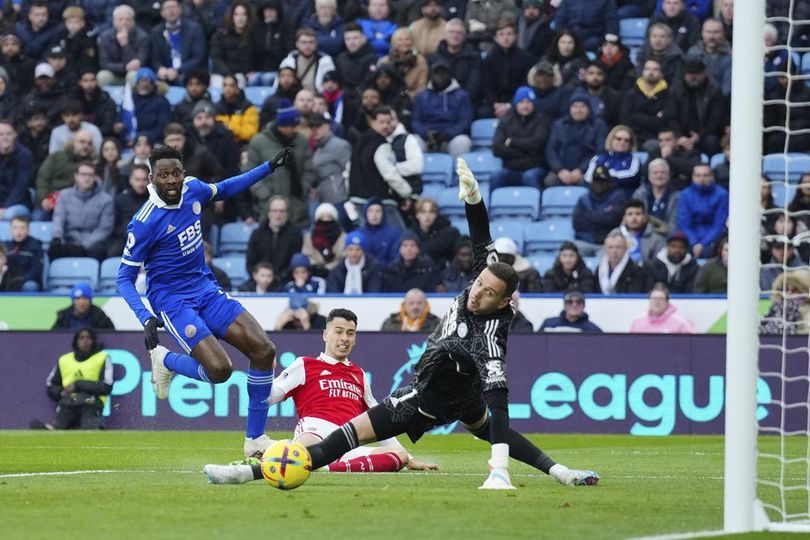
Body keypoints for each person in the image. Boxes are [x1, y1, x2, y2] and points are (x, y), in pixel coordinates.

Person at [222, 158, 600, 490]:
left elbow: (500, 403)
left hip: (425, 400)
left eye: (487, 293)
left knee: (342, 441)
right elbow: (481, 236)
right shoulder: (486, 280)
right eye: (479, 283)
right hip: (455, 393)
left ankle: (252, 473)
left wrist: (498, 470)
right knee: (476, 427)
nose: (477, 292)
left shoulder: (490, 339)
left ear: (503, 302)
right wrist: (473, 198)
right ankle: (562, 473)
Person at [115, 143, 296, 458]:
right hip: (172, 301)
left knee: (264, 350)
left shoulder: (193, 190)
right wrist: (145, 317)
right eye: (163, 175)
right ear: (151, 177)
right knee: (220, 370)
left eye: (175, 173)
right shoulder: (144, 222)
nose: (171, 180)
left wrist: (268, 167)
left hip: (205, 289)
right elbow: (123, 278)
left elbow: (225, 188)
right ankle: (165, 360)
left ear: (183, 174)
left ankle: (255, 440)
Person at [204, 308, 438, 483]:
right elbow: (267, 397)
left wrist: (408, 456)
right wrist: (265, 369)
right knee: (307, 444)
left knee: (398, 456)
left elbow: (380, 418)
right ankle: (259, 468)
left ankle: (315, 465)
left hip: (348, 440)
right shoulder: (305, 365)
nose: (344, 338)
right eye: (339, 332)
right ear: (325, 334)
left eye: (350, 333)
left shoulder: (359, 374)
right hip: (315, 431)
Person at [245, 101, 315, 229]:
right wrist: (267, 196)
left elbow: (308, 170)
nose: (295, 129)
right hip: (269, 207)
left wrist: (303, 189)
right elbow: (250, 174)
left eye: (296, 125)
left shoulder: (301, 141)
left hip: (296, 205)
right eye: (292, 125)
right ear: (281, 125)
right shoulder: (259, 142)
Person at [43, 328, 112, 430]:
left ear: (93, 341)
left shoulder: (102, 358)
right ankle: (54, 428)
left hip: (91, 401)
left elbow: (106, 386)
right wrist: (60, 392)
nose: (85, 341)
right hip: (68, 401)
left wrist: (78, 384)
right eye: (81, 338)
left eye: (88, 338)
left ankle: (94, 427)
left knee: (90, 428)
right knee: (57, 428)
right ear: (76, 341)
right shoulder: (64, 359)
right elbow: (51, 384)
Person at [49, 161, 113, 261]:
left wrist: (84, 246)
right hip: (69, 240)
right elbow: (59, 219)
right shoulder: (64, 195)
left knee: (98, 250)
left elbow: (104, 229)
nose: (87, 178)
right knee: (53, 249)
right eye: (83, 174)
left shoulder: (106, 200)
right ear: (76, 176)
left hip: (93, 244)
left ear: (95, 177)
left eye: (90, 175)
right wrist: (57, 237)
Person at [490, 86, 550, 194]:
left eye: (528, 102)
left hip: (534, 168)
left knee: (530, 176)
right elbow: (497, 148)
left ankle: (537, 208)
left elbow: (537, 145)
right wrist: (526, 151)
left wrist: (512, 142)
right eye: (521, 102)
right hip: (511, 168)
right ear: (515, 103)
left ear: (534, 104)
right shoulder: (506, 121)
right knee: (496, 176)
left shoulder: (542, 120)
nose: (525, 106)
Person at [544, 95, 608, 188]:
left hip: (587, 170)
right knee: (550, 181)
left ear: (589, 108)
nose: (578, 110)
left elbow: (599, 151)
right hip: (561, 170)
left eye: (582, 106)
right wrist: (560, 170)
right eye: (575, 106)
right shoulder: (559, 125)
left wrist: (580, 170)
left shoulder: (598, 126)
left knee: (588, 182)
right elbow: (550, 150)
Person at [411, 62, 472, 159]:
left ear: (450, 75)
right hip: (427, 138)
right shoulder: (421, 96)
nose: (440, 76)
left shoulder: (462, 96)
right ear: (431, 75)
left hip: (451, 138)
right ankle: (416, 174)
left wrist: (448, 134)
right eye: (437, 73)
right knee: (413, 141)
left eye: (444, 73)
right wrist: (425, 133)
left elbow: (465, 122)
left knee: (462, 142)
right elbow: (416, 122)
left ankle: (459, 173)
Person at [479, 20, 536, 120]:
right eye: (501, 34)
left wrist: (509, 105)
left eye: (509, 34)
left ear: (515, 36)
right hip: (494, 104)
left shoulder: (525, 58)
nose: (505, 38)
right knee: (482, 113)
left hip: (518, 102)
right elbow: (486, 86)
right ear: (495, 38)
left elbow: (525, 84)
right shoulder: (489, 59)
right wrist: (496, 104)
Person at [619, 58, 678, 153]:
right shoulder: (631, 94)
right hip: (633, 137)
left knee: (653, 146)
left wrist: (637, 117)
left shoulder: (669, 95)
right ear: (642, 72)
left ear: (662, 73)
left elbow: (666, 121)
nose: (650, 72)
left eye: (655, 69)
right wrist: (654, 119)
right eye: (647, 69)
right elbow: (626, 119)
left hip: (658, 139)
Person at [34, 131, 95, 220]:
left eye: (89, 143)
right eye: (82, 142)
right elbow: (42, 178)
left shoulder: (91, 165)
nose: (86, 146)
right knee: (37, 218)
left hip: (74, 206)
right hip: (49, 201)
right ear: (73, 142)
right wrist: (43, 198)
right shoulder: (56, 156)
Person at [246, 195, 303, 283]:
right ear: (268, 213)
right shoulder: (257, 234)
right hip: (259, 281)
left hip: (284, 282)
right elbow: (250, 264)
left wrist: (276, 278)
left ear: (287, 213)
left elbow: (293, 264)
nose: (278, 214)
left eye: (282, 211)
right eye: (274, 211)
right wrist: (261, 278)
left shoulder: (295, 235)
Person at [675, 56, 725, 156]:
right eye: (690, 74)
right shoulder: (676, 90)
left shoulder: (714, 91)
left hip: (705, 134)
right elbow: (671, 116)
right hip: (680, 134)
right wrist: (679, 136)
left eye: (697, 73)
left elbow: (716, 119)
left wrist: (699, 136)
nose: (693, 77)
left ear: (704, 72)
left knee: (711, 141)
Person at [148, 0, 206, 85]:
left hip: (186, 71)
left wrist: (178, 70)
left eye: (174, 7)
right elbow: (155, 58)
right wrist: (160, 69)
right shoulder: (156, 32)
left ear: (180, 10)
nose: (171, 11)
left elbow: (198, 57)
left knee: (182, 80)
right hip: (166, 72)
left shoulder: (194, 29)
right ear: (162, 13)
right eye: (167, 8)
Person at [572, 165, 625, 256]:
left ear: (609, 182)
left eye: (602, 181)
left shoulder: (618, 197)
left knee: (612, 256)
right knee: (569, 254)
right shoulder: (583, 199)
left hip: (607, 243)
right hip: (585, 241)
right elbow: (577, 223)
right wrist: (601, 218)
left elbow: (613, 220)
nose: (599, 184)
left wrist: (590, 215)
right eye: (596, 181)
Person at [678, 164, 728, 259]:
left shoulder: (722, 195)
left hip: (714, 239)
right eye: (698, 175)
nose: (702, 178)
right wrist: (694, 243)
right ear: (693, 177)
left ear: (712, 176)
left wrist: (703, 244)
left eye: (705, 175)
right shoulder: (685, 195)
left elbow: (719, 224)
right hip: (690, 238)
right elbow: (684, 223)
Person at [428, 18, 482, 106]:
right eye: (451, 32)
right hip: (439, 102)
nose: (455, 36)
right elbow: (430, 84)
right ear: (445, 34)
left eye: (459, 33)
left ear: (464, 36)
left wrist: (457, 101)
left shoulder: (474, 56)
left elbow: (474, 86)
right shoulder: (434, 57)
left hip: (465, 102)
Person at [97, 4, 150, 86]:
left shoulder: (142, 37)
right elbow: (104, 63)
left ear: (133, 22)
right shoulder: (105, 36)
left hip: (132, 72)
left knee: (133, 75)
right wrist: (124, 67)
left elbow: (139, 63)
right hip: (114, 73)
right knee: (102, 76)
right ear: (114, 22)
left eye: (128, 20)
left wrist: (125, 44)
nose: (124, 23)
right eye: (120, 19)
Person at [584, 125, 642, 198]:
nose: (622, 142)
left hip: (624, 199)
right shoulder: (597, 159)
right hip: (599, 198)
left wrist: (605, 177)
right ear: (611, 139)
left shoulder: (634, 160)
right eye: (618, 139)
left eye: (626, 140)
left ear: (631, 144)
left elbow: (632, 176)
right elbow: (588, 179)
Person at [108, 164, 150, 258]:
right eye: (137, 179)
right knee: (112, 253)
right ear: (130, 180)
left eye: (144, 180)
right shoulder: (120, 199)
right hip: (125, 239)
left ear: (149, 180)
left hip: (150, 240)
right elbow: (115, 225)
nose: (141, 183)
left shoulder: (155, 200)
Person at [278, 28, 336, 94]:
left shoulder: (326, 61)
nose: (307, 46)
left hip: (317, 99)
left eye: (311, 42)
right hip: (293, 97)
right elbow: (278, 86)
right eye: (303, 42)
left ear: (316, 43)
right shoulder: (288, 61)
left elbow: (331, 87)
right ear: (297, 44)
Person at [631, 158, 681, 236]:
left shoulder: (677, 197)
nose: (659, 175)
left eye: (663, 172)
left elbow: (674, 225)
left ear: (668, 175)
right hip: (641, 236)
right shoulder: (640, 194)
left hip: (667, 238)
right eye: (655, 173)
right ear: (649, 176)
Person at [310, 112, 351, 206]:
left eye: (318, 126)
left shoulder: (339, 145)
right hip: (324, 200)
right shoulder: (318, 148)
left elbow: (350, 171)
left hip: (340, 199)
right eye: (312, 127)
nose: (314, 129)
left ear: (327, 126)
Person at [686, 18, 732, 95]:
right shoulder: (693, 53)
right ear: (702, 33)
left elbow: (728, 86)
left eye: (716, 32)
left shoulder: (730, 56)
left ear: (723, 33)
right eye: (708, 32)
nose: (711, 36)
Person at [409, 197, 458, 268]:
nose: (427, 216)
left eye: (431, 212)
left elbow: (428, 250)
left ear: (436, 215)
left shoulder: (449, 232)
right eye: (423, 212)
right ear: (417, 215)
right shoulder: (410, 233)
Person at [629, 283, 697, 333]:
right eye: (654, 298)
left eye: (661, 299)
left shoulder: (680, 323)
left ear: (667, 302)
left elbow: (692, 344)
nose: (657, 302)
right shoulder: (638, 322)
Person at [553, 0, 618, 52]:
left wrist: (608, 41)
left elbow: (611, 22)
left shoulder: (607, 1)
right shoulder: (567, 1)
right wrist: (563, 37)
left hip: (594, 37)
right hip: (571, 36)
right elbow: (559, 20)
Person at [0, 120, 33, 222]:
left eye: (8, 134)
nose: (5, 137)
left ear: (15, 135)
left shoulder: (25, 155)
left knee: (8, 215)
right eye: (1, 134)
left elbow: (22, 186)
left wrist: (4, 208)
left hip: (18, 204)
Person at [760, 270, 810, 335]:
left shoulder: (807, 313)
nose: (788, 293)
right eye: (785, 289)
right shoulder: (775, 310)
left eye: (794, 290)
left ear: (804, 292)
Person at [596, 230, 647, 294]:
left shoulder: (636, 270)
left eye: (618, 247)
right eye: (610, 247)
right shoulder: (599, 268)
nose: (614, 251)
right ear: (605, 249)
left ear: (626, 249)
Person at [213, 75, 260, 144]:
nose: (227, 89)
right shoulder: (216, 108)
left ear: (237, 88)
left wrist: (231, 127)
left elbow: (251, 133)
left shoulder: (248, 107)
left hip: (243, 145)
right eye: (225, 85)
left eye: (231, 85)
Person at [618, 199, 666, 267]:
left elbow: (659, 266)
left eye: (638, 214)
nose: (634, 218)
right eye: (630, 214)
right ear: (624, 218)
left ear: (645, 217)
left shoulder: (657, 239)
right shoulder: (615, 235)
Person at [5, 216, 43, 291]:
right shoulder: (5, 246)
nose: (19, 231)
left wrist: (20, 279)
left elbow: (36, 270)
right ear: (10, 230)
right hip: (9, 279)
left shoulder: (35, 246)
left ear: (28, 230)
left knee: (30, 286)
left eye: (22, 228)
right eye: (15, 228)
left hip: (27, 280)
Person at [538, 289, 603, 333]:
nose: (574, 305)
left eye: (579, 302)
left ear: (584, 306)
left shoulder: (593, 330)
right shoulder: (549, 324)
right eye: (570, 302)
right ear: (564, 305)